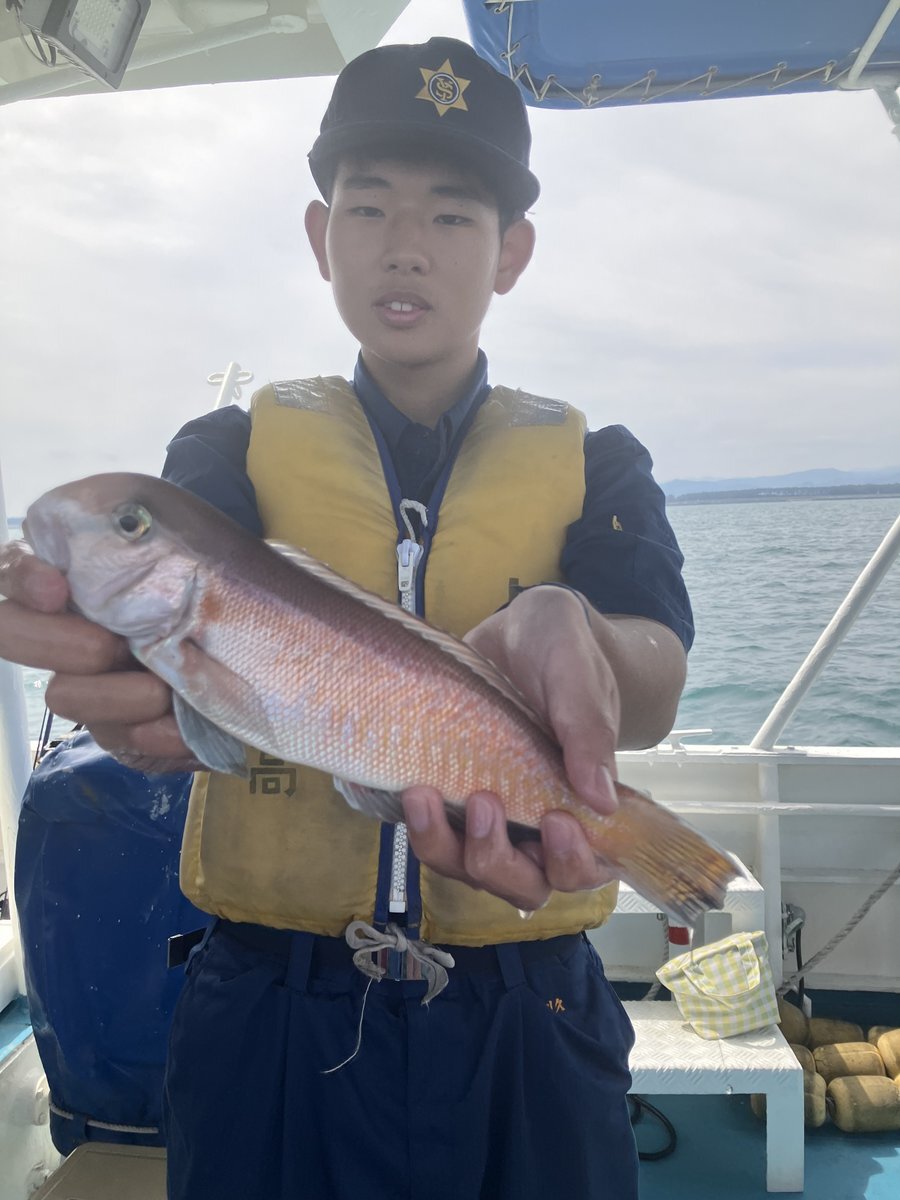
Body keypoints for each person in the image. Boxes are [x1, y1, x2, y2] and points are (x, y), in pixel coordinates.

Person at [0, 37, 692, 1200]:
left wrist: (585, 635)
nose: (405, 244)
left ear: (511, 252)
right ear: (322, 238)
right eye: (368, 207)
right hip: (266, 1000)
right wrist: (132, 687)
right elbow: (167, 658)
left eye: (453, 214)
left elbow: (659, 680)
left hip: (530, 1009)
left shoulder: (599, 463)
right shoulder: (224, 452)